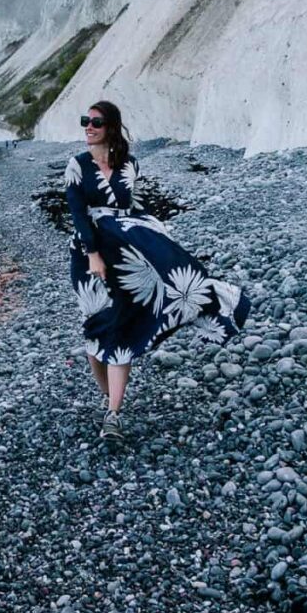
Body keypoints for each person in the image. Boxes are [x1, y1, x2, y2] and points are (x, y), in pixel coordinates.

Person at [64, 100, 251, 441]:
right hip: (88, 255)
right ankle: (108, 397)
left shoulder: (129, 165)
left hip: (128, 255)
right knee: (95, 329)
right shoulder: (76, 166)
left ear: (111, 126)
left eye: (96, 122)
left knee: (123, 326)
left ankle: (113, 414)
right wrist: (93, 254)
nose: (88, 127)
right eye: (85, 121)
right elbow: (77, 214)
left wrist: (157, 234)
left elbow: (133, 207)